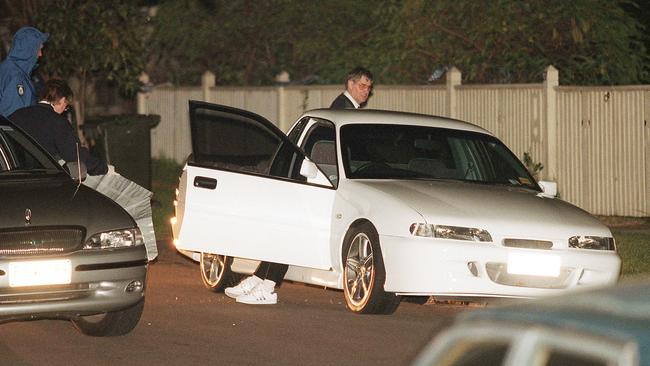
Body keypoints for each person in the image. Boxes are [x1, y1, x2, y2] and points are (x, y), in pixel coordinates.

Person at [9, 78, 108, 176]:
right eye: (66, 107)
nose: (64, 110)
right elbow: (75, 156)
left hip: (11, 174)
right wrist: (102, 168)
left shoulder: (16, 115)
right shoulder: (58, 123)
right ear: (62, 100)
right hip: (41, 178)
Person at [0, 26, 49, 117]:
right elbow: (14, 120)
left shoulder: (6, 68)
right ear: (28, 50)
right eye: (39, 49)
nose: (40, 54)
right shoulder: (16, 78)